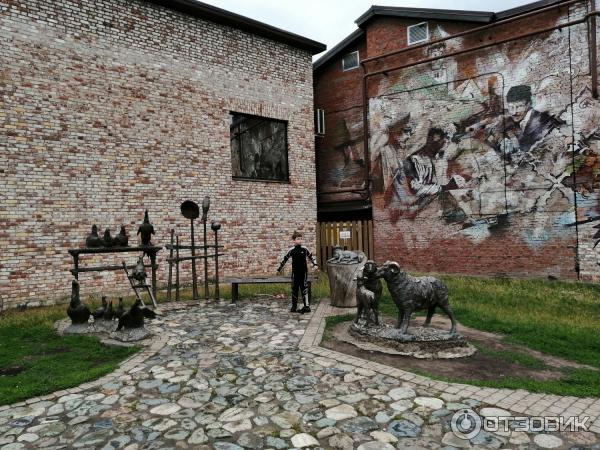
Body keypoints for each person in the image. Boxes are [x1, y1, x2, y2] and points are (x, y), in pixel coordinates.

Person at [277, 231, 318, 314]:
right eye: (298, 239)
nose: (300, 240)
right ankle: (294, 306)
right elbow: (284, 259)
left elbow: (311, 257)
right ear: (294, 240)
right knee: (294, 289)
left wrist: (315, 265)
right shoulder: (291, 250)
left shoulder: (305, 249)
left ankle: (306, 306)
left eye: (301, 239)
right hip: (295, 273)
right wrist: (279, 269)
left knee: (304, 289)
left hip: (303, 273)